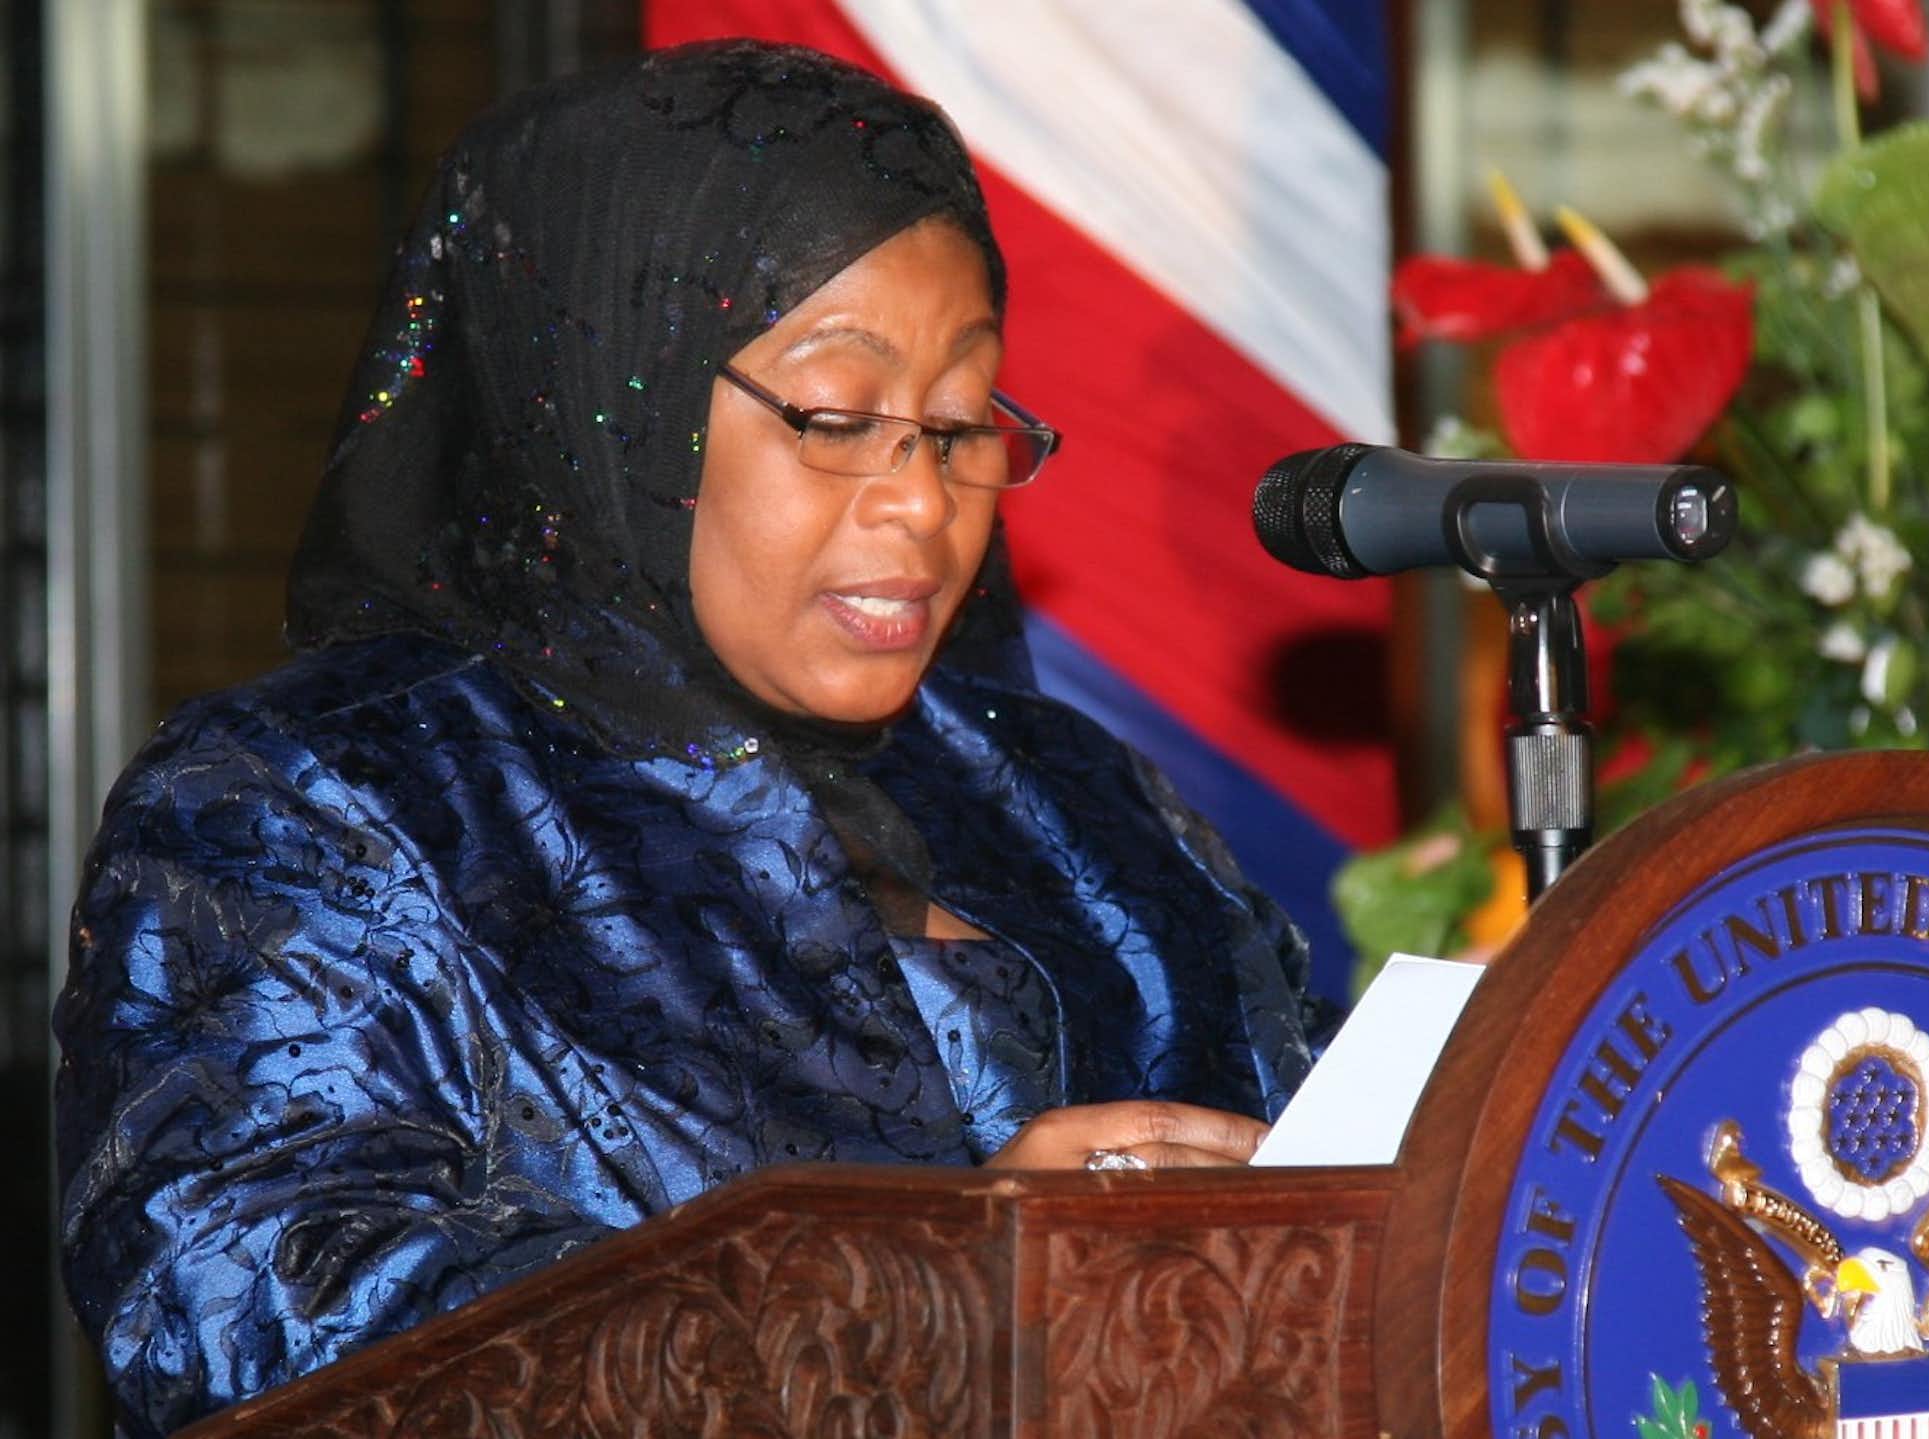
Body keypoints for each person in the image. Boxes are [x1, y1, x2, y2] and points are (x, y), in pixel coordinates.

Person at [54, 40, 1328, 1437]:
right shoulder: (312, 807)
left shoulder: (1082, 798)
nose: (923, 503)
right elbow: (255, 1330)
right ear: (617, 407)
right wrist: (930, 1293)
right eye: (839, 419)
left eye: (962, 425)